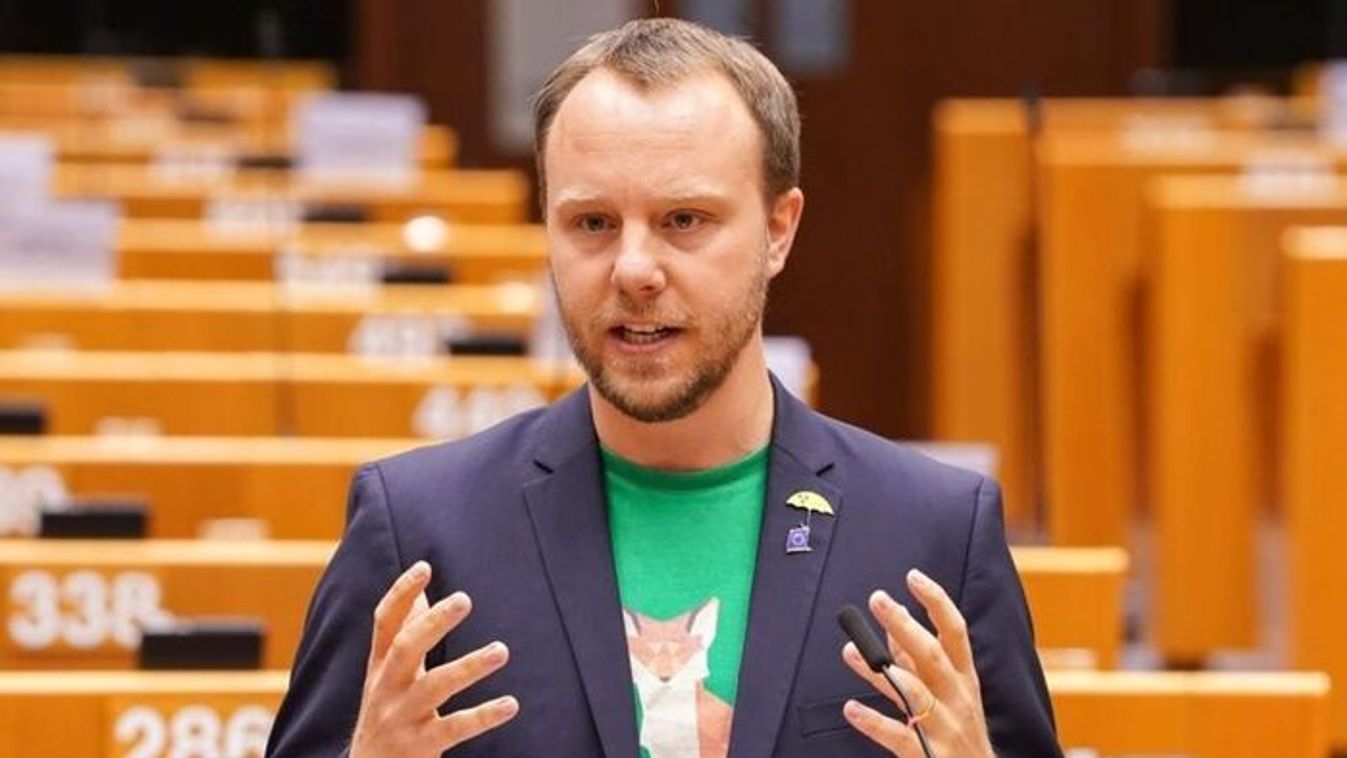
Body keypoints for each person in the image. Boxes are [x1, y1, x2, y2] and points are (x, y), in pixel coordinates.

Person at [267, 17, 1061, 758]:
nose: (634, 270)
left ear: (778, 229)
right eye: (592, 223)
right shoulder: (420, 532)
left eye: (683, 220)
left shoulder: (932, 535)